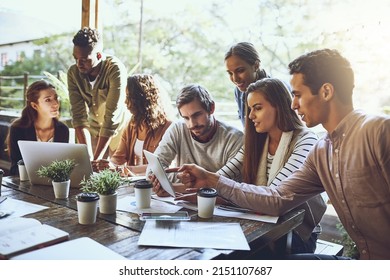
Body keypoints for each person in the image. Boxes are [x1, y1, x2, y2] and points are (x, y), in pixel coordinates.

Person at [177, 49, 390, 260]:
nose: (293, 104)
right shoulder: (322, 151)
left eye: (297, 95)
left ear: (326, 92)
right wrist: (210, 181)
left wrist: (216, 185)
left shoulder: (378, 131)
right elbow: (278, 198)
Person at [153, 84, 243, 195]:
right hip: (183, 204)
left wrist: (173, 186)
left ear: (212, 108)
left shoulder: (235, 139)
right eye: (186, 118)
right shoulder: (177, 129)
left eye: (197, 115)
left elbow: (227, 186)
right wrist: (183, 178)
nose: (192, 124)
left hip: (219, 206)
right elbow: (154, 171)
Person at [67, 27, 129, 162]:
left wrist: (96, 159)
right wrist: (88, 157)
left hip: (119, 130)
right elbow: (78, 117)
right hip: (93, 130)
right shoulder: (73, 73)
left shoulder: (115, 70)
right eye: (75, 58)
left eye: (84, 59)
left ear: (99, 55)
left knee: (114, 172)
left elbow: (112, 118)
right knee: (88, 168)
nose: (78, 64)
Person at [93, 74, 172, 175]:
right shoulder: (131, 125)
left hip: (154, 185)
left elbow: (162, 165)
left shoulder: (167, 127)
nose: (126, 102)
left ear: (143, 99)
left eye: (129, 97)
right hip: (133, 184)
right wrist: (107, 165)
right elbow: (118, 158)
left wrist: (123, 169)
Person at [7, 80, 69, 175]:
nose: (56, 103)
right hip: (25, 183)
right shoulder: (18, 129)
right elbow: (16, 167)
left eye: (56, 98)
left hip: (53, 184)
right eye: (48, 100)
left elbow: (63, 166)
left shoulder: (62, 129)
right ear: (34, 105)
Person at [225, 42, 269, 127]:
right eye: (230, 73)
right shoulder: (239, 90)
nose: (235, 79)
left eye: (240, 70)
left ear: (256, 66)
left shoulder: (273, 90)